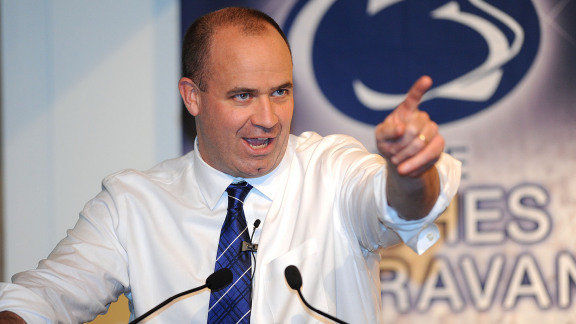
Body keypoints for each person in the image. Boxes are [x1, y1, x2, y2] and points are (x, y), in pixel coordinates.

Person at [0, 7, 460, 323]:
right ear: (192, 96)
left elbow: (399, 207)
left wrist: (409, 171)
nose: (268, 118)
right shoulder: (133, 204)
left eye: (280, 91)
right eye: (243, 96)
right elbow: (44, 297)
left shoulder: (332, 171)